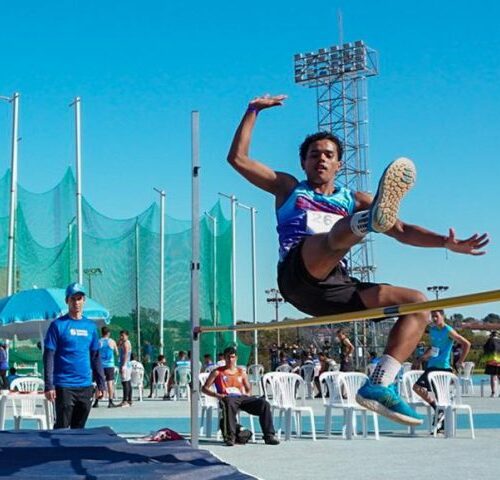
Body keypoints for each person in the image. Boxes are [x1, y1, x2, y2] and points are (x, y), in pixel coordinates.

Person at [227, 93, 488, 426]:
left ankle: (379, 384)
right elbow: (238, 158)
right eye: (313, 155)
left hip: (335, 288)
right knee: (332, 238)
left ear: (339, 163)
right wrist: (252, 111)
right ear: (304, 163)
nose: (321, 159)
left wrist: (445, 244)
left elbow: (403, 229)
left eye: (329, 155)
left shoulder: (354, 198)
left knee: (418, 304)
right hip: (297, 273)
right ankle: (366, 223)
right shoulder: (289, 189)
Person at [43, 282, 106, 428]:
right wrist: (49, 385)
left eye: (79, 298)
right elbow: (48, 356)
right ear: (67, 301)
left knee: (79, 430)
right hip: (64, 386)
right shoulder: (58, 325)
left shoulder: (90, 327)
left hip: (85, 386)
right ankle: (58, 451)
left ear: (84, 300)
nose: (76, 302)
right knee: (63, 428)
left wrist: (101, 383)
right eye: (73, 299)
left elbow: (95, 357)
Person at [202, 346, 279, 446]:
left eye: (233, 357)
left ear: (236, 358)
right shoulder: (217, 372)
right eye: (228, 357)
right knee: (228, 402)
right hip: (226, 397)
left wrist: (247, 394)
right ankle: (230, 437)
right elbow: (204, 388)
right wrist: (217, 395)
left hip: (241, 398)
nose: (230, 360)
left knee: (264, 404)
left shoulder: (241, 372)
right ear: (224, 358)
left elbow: (248, 388)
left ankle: (269, 436)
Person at [412, 310, 471, 432]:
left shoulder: (448, 331)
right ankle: (437, 409)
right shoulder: (432, 331)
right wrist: (420, 359)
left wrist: (460, 361)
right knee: (416, 387)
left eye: (436, 316)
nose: (434, 319)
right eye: (432, 316)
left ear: (442, 317)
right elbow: (433, 348)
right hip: (431, 366)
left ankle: (441, 420)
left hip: (443, 368)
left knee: (441, 397)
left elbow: (467, 344)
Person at [93, 326, 118, 408]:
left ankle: (96, 402)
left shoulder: (98, 342)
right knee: (110, 383)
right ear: (108, 333)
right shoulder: (112, 342)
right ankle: (110, 402)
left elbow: (95, 353)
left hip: (100, 365)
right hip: (110, 365)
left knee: (98, 383)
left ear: (102, 332)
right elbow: (117, 353)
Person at [117, 330, 133, 407]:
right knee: (128, 382)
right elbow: (117, 345)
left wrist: (123, 365)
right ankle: (129, 400)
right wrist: (119, 341)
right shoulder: (124, 342)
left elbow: (126, 354)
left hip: (126, 365)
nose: (121, 337)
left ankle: (125, 401)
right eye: (120, 335)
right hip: (127, 365)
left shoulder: (126, 343)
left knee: (125, 383)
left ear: (127, 336)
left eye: (123, 336)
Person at [483, 331, 500, 397]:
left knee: (492, 376)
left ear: (492, 335)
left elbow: (485, 348)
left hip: (492, 361)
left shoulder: (490, 340)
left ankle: (493, 393)